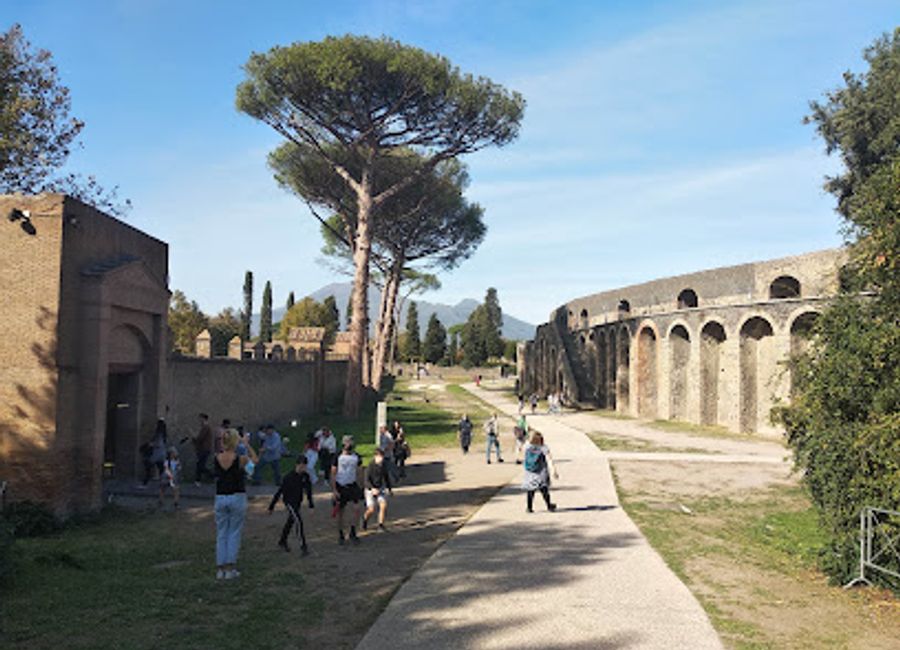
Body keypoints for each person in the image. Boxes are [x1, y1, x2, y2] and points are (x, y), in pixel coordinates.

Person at [214, 429, 258, 579]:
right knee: (234, 532)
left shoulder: (217, 458)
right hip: (237, 495)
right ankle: (230, 568)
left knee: (222, 533)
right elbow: (255, 460)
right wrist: (246, 445)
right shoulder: (240, 459)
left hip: (220, 496)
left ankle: (220, 569)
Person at [267, 455, 312, 555]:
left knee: (291, 521)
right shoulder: (288, 477)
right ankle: (303, 546)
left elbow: (308, 490)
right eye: (301, 466)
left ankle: (282, 541)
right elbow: (279, 492)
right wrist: (271, 506)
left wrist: (311, 505)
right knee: (298, 521)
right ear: (297, 465)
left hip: (298, 501)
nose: (303, 468)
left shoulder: (305, 476)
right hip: (289, 502)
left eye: (304, 466)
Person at [331, 435, 363, 546]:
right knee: (340, 512)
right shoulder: (337, 456)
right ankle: (340, 534)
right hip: (340, 486)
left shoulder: (357, 457)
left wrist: (361, 487)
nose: (350, 444)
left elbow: (359, 472)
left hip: (352, 485)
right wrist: (334, 490)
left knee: (357, 509)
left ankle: (353, 532)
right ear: (343, 444)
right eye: (348, 442)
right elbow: (333, 473)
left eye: (351, 442)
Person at [522, 431, 558, 513]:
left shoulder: (527, 446)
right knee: (544, 489)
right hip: (541, 471)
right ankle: (549, 505)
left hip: (530, 472)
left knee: (530, 490)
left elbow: (522, 450)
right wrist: (554, 470)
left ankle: (529, 507)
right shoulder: (543, 447)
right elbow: (549, 459)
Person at [362, 448, 393, 532]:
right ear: (375, 457)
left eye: (382, 457)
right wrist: (372, 488)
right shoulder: (370, 467)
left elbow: (386, 478)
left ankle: (381, 525)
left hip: (380, 487)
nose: (381, 459)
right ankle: (365, 520)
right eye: (379, 457)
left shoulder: (383, 466)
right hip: (370, 489)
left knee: (383, 505)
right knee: (371, 509)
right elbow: (366, 480)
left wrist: (389, 489)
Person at [140, 419, 168, 487]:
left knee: (148, 467)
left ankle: (145, 483)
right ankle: (164, 482)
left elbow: (157, 444)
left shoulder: (159, 434)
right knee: (161, 468)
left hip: (156, 454)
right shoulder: (164, 434)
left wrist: (148, 444)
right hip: (162, 454)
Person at [192, 413, 214, 486]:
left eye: (200, 418)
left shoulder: (206, 427)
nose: (199, 420)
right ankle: (198, 480)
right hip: (203, 449)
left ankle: (213, 475)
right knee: (200, 465)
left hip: (204, 449)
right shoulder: (204, 427)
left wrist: (194, 438)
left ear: (204, 419)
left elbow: (200, 438)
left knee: (200, 465)